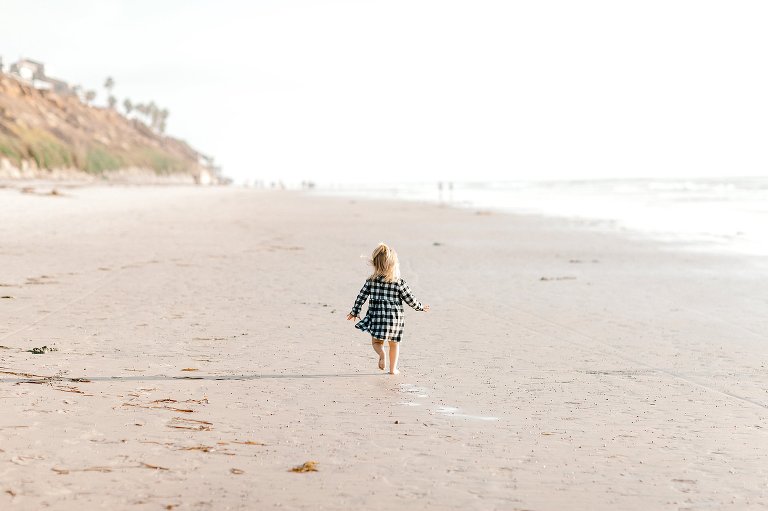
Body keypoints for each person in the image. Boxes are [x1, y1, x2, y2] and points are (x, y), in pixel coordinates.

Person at [347, 243, 429, 375]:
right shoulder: (398, 282)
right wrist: (420, 307)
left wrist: (355, 311)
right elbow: (410, 299)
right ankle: (392, 369)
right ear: (393, 265)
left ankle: (381, 354)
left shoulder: (371, 282)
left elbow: (361, 297)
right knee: (394, 344)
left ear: (375, 264)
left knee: (376, 342)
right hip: (394, 320)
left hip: (377, 317)